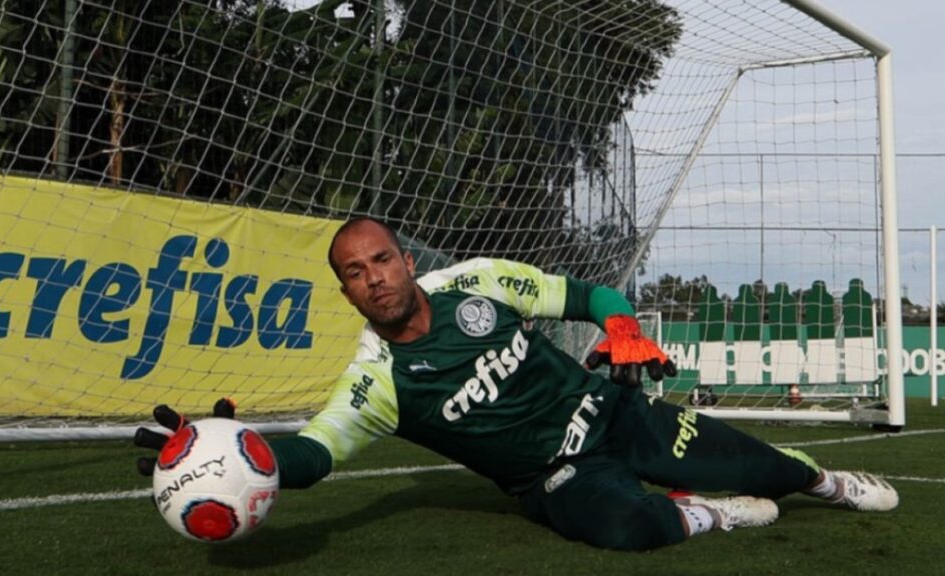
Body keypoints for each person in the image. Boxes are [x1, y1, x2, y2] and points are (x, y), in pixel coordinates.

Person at [135, 217, 898, 551]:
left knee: (770, 466)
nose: (375, 278)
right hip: (556, 477)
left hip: (614, 413)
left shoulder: (479, 283)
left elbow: (588, 296)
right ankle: (710, 517)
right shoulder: (376, 384)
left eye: (382, 260)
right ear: (347, 294)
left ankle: (831, 482)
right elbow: (310, 455)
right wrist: (226, 449)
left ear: (405, 260)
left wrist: (622, 325)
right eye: (355, 273)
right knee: (626, 530)